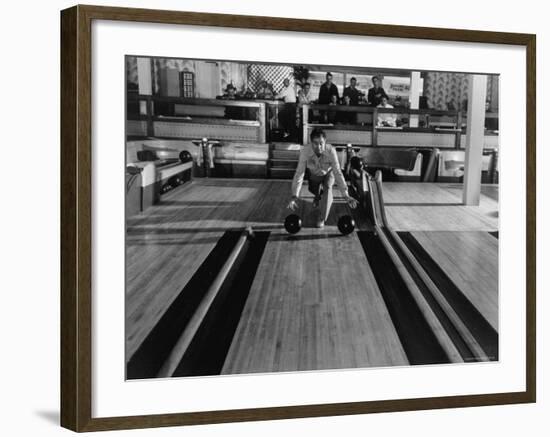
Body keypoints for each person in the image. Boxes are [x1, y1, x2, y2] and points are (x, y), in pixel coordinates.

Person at [287, 128, 358, 228]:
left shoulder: (331, 151)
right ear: (311, 143)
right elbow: (299, 173)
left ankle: (322, 217)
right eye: (315, 143)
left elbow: (338, 172)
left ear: (325, 142)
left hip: (329, 173)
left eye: (321, 143)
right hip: (314, 176)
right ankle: (317, 196)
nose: (319, 146)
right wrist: (295, 196)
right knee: (315, 191)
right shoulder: (305, 152)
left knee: (328, 188)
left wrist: (346, 195)